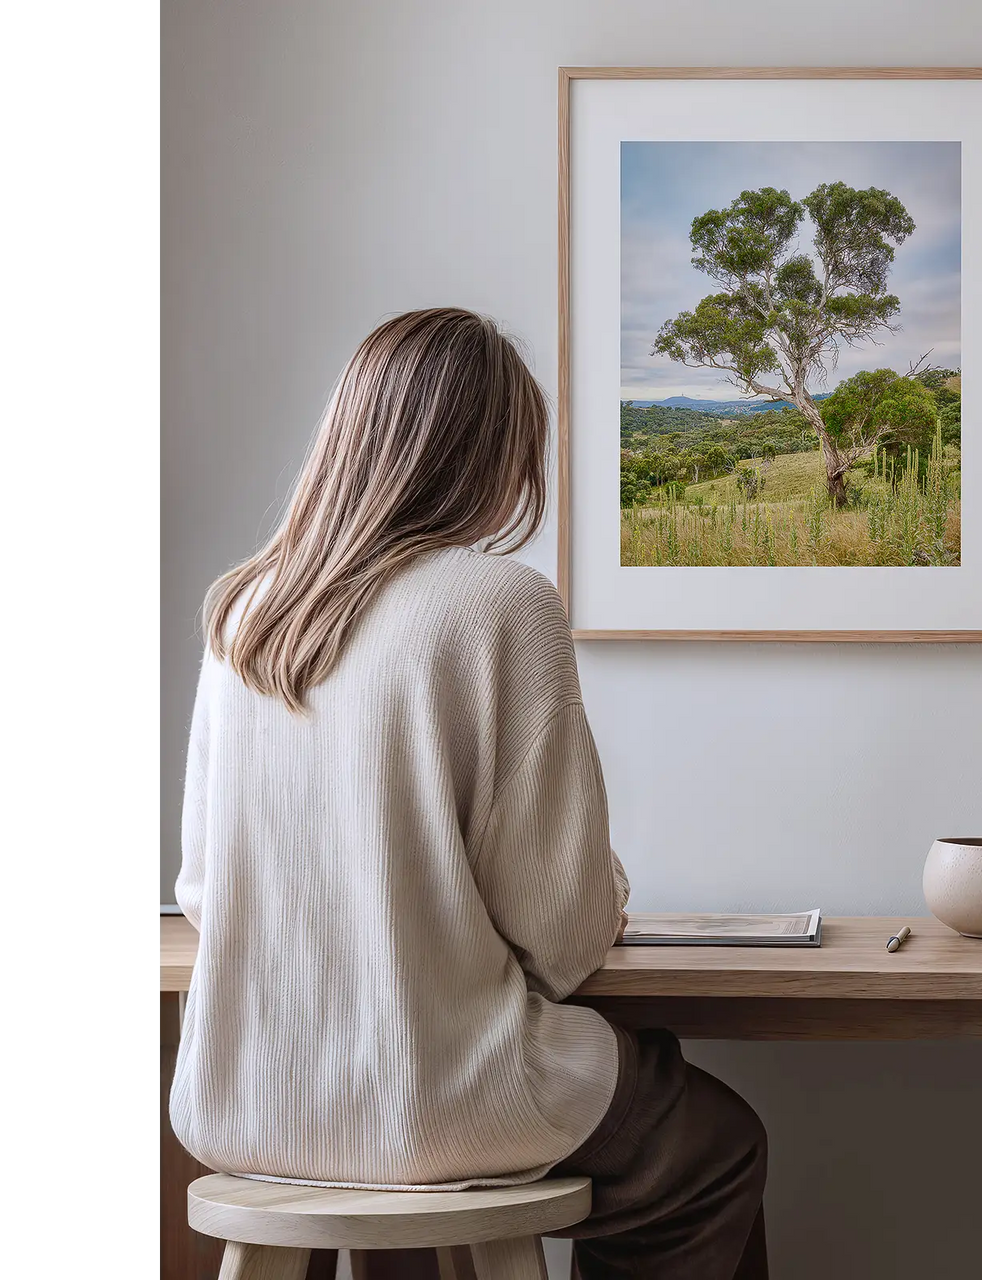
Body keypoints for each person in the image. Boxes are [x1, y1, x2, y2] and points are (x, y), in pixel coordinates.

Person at [172, 308, 768, 1279]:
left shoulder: (245, 608)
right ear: (492, 456)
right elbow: (564, 939)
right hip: (431, 1108)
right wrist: (603, 888)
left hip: (240, 1104)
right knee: (715, 1147)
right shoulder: (499, 602)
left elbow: (202, 891)